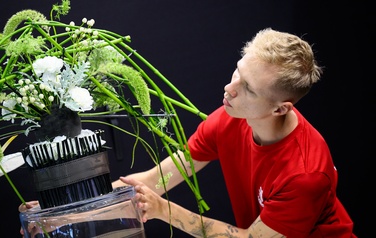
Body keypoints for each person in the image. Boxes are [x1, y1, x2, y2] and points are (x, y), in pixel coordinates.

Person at [20, 28, 356, 237]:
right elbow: (153, 181)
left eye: (248, 89)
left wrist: (164, 210)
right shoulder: (230, 119)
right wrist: (59, 213)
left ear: (281, 108)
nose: (229, 88)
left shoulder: (306, 174)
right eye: (237, 72)